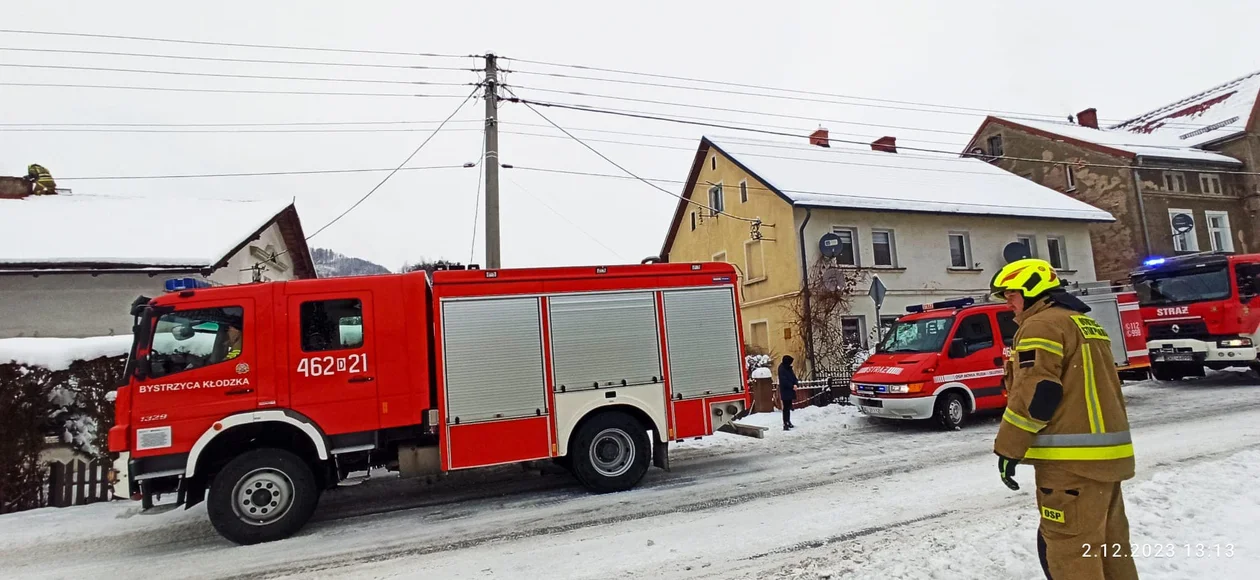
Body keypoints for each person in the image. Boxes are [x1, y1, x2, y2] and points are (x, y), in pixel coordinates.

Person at [990, 258, 1138, 580]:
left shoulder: (1041, 325)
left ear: (1031, 290)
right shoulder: (1085, 323)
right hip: (1105, 464)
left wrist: (1008, 449)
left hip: (1069, 469)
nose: (1007, 304)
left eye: (1010, 295)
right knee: (1111, 551)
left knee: (1071, 555)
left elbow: (1037, 392)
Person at [777, 355, 798, 430]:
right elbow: (783, 381)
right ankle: (785, 422)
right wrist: (792, 386)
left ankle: (788, 421)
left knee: (788, 406)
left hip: (790, 390)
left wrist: (795, 383)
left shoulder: (788, 368)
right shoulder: (782, 369)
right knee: (786, 407)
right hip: (785, 391)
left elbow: (794, 377)